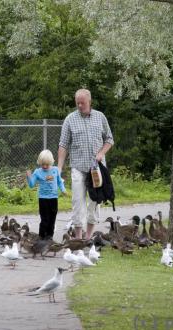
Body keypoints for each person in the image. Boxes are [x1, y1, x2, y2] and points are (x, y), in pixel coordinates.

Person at [58, 88, 114, 240]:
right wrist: (59, 168)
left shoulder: (100, 117)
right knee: (78, 201)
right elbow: (63, 145)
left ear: (89, 101)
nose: (80, 106)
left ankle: (88, 237)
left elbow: (109, 139)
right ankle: (78, 237)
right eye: (77, 103)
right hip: (78, 167)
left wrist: (101, 153)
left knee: (94, 201)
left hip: (96, 170)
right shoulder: (70, 119)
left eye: (82, 103)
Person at [26, 149, 66, 240]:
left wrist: (63, 189)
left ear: (51, 162)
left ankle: (49, 237)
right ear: (40, 162)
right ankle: (41, 236)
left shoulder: (55, 170)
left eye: (47, 164)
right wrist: (29, 177)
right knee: (45, 219)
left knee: (52, 218)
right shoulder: (37, 172)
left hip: (53, 198)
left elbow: (60, 182)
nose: (44, 166)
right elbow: (32, 185)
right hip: (43, 199)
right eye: (42, 164)